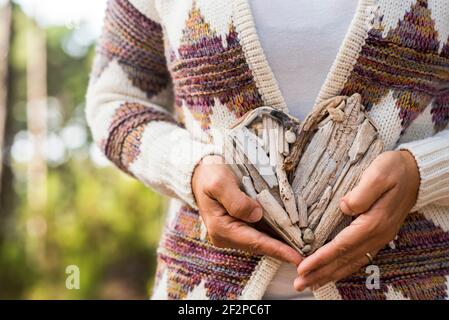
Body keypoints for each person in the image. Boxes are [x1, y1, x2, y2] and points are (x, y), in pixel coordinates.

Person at [86, 0, 449, 300]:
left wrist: (422, 173)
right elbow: (115, 102)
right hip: (205, 291)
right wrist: (191, 170)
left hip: (419, 283)